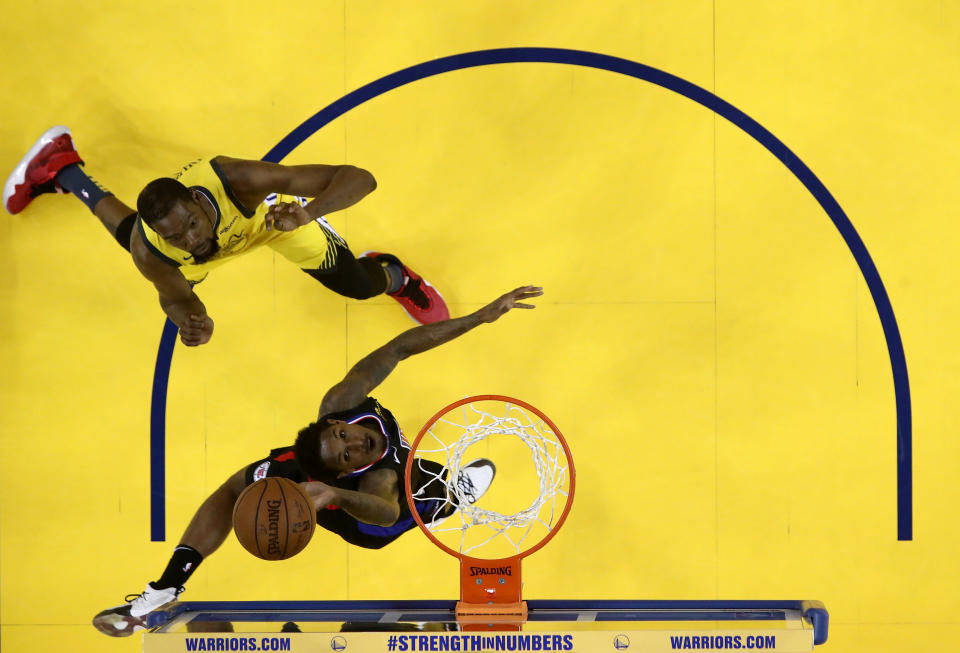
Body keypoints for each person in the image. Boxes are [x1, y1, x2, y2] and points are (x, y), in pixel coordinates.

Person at [91, 284, 544, 637]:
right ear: (344, 471)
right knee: (415, 498)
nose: (357, 443)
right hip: (369, 518)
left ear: (335, 423)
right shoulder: (373, 479)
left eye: (344, 435)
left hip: (345, 480)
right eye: (348, 455)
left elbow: (399, 347)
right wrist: (334, 494)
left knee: (413, 466)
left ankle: (162, 590)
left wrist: (480, 318)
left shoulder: (342, 403)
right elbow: (383, 511)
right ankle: (448, 500)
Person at [3, 126, 449, 345]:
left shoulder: (241, 180)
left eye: (191, 224)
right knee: (136, 245)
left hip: (272, 225)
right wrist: (193, 321)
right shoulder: (153, 248)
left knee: (355, 285)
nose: (189, 239)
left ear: (198, 201)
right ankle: (64, 170)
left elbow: (361, 179)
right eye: (175, 236)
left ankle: (396, 275)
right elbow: (176, 298)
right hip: (193, 253)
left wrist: (307, 214)